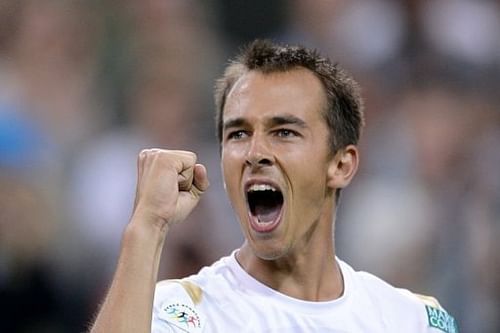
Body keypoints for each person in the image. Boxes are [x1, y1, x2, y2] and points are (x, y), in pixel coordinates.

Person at [89, 40, 458, 333]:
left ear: (341, 165)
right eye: (238, 133)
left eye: (284, 132)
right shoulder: (181, 316)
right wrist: (146, 227)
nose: (255, 152)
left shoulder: (412, 321)